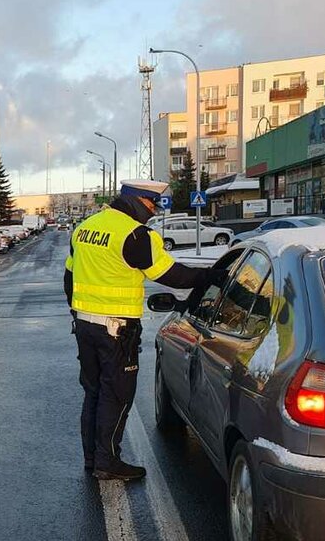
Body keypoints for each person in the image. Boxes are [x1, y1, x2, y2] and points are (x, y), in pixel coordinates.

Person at [64, 179, 227, 481]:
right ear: (137, 201)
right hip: (116, 330)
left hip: (85, 325)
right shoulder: (135, 234)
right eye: (151, 205)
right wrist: (210, 277)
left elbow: (69, 276)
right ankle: (108, 462)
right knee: (117, 395)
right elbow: (171, 274)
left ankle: (93, 457)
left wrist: (79, 312)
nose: (153, 212)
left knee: (94, 392)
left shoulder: (86, 227)